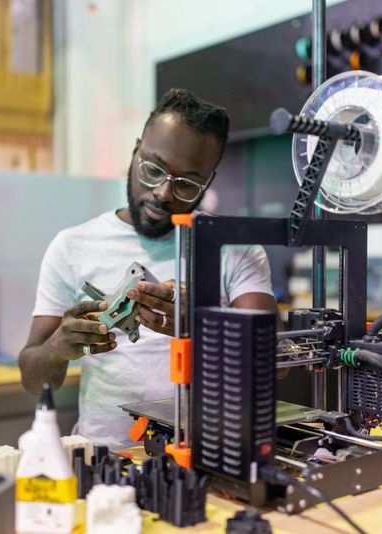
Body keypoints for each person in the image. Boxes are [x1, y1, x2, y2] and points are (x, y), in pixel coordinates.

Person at [19, 88, 276, 449]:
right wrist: (58, 347)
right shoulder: (72, 246)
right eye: (153, 169)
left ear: (208, 181)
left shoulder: (236, 248)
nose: (163, 193)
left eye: (187, 184)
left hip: (209, 452)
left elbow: (271, 363)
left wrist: (201, 328)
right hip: (104, 459)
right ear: (136, 150)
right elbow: (32, 376)